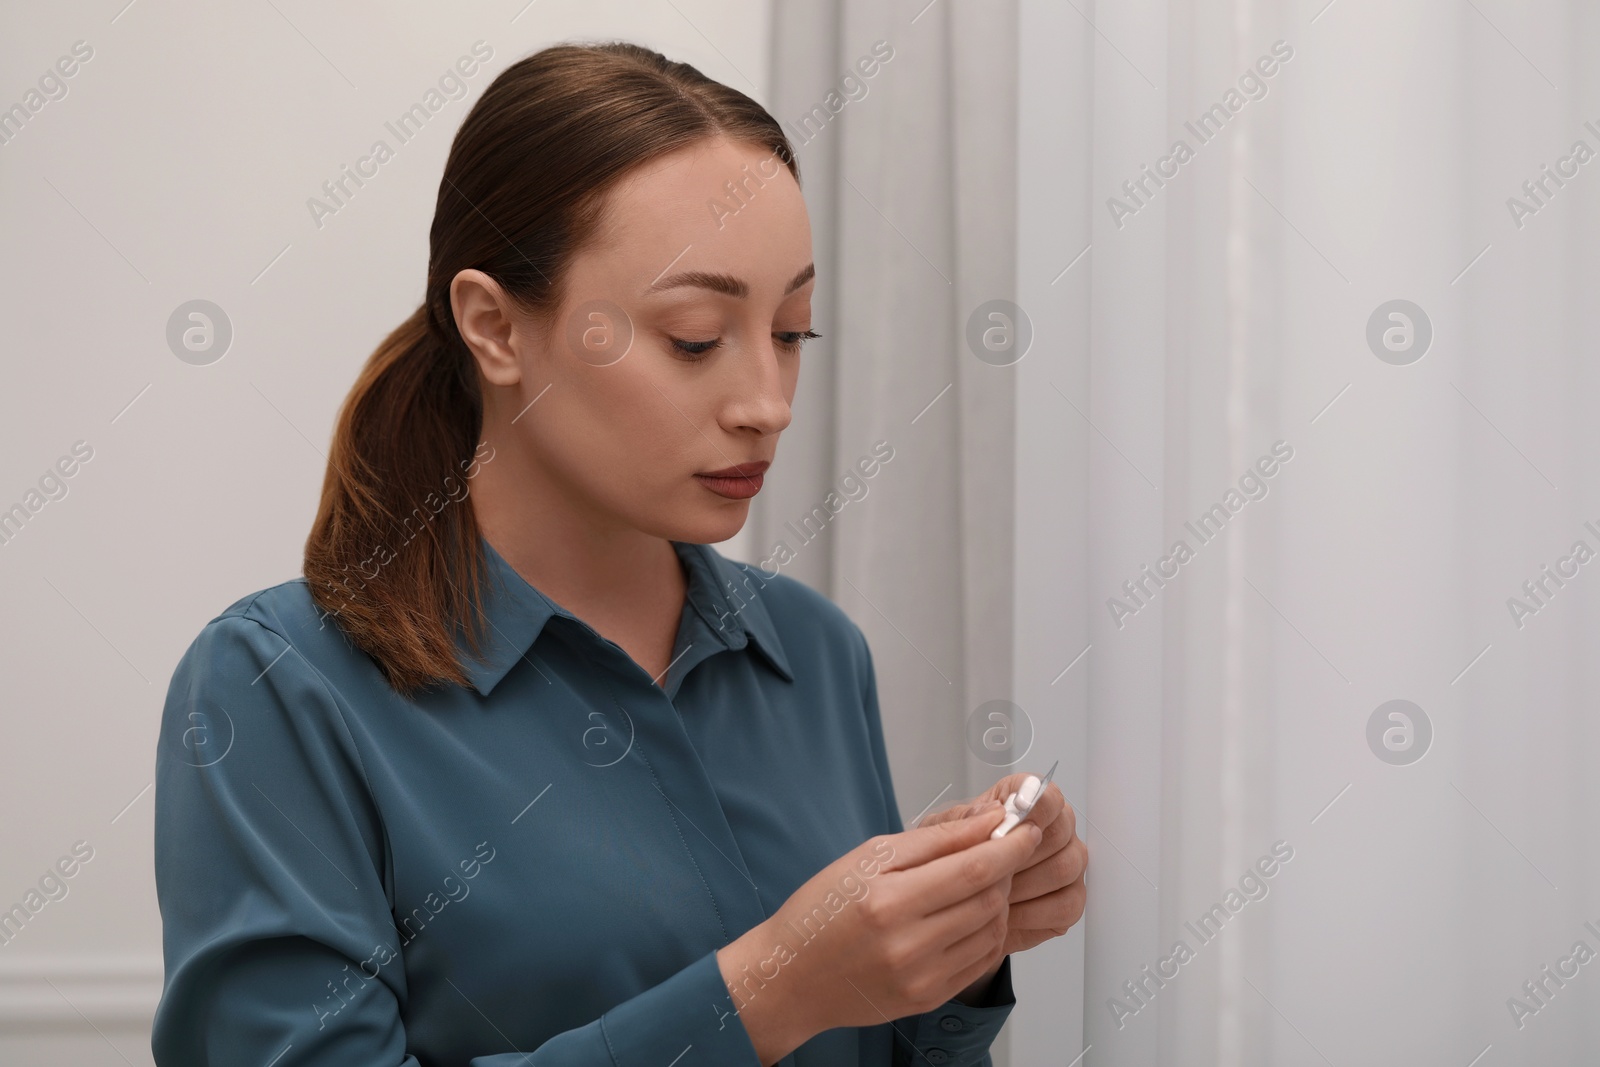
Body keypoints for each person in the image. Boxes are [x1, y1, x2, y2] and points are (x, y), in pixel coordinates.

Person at [151, 40, 1086, 1067]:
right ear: (495, 327)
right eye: (693, 336)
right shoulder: (276, 685)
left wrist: (952, 945)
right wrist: (771, 987)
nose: (766, 404)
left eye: (790, 332)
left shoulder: (814, 653)